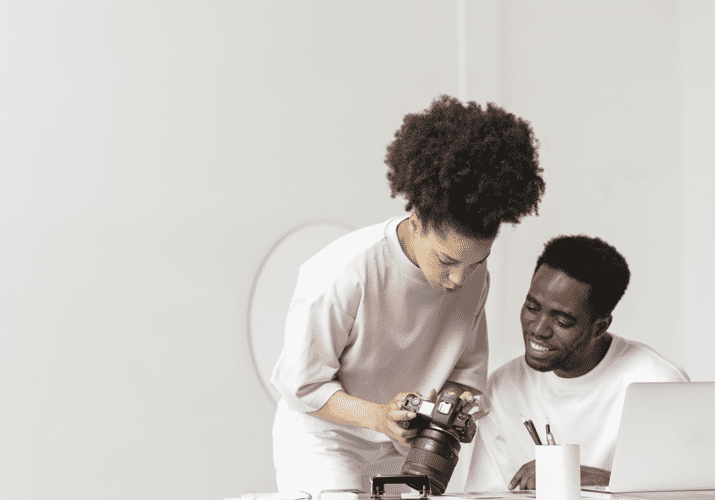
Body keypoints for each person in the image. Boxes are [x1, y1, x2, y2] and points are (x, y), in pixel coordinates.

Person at [270, 95, 546, 494]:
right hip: (327, 439)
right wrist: (380, 416)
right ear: (416, 221)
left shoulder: (472, 273)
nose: (458, 279)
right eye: (447, 261)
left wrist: (457, 406)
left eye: (475, 262)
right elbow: (304, 386)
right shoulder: (344, 272)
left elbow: (463, 370)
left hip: (405, 442)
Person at [464, 235, 689, 492]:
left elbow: (686, 492)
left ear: (600, 327)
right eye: (532, 307)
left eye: (562, 322)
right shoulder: (503, 386)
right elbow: (485, 494)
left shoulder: (657, 382)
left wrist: (599, 481)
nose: (538, 329)